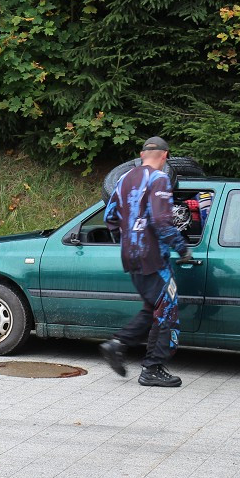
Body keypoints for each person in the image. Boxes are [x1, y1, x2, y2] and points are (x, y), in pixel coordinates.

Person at [100, 136, 195, 387]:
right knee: (168, 310)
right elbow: (162, 222)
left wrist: (128, 237)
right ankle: (152, 369)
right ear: (165, 156)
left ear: (142, 155)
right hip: (153, 258)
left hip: (131, 255)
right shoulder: (160, 178)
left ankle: (117, 344)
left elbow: (109, 216)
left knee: (152, 306)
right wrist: (182, 247)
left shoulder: (123, 180)